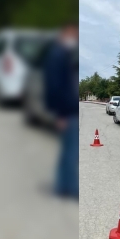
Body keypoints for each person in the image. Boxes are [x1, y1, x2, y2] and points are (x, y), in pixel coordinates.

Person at [43, 22, 79, 199]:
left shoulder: (63, 55)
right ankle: (69, 187)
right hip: (67, 112)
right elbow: (54, 87)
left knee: (67, 151)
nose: (75, 39)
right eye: (73, 35)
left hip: (68, 111)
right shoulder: (57, 56)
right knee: (71, 152)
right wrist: (61, 114)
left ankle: (62, 186)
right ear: (64, 34)